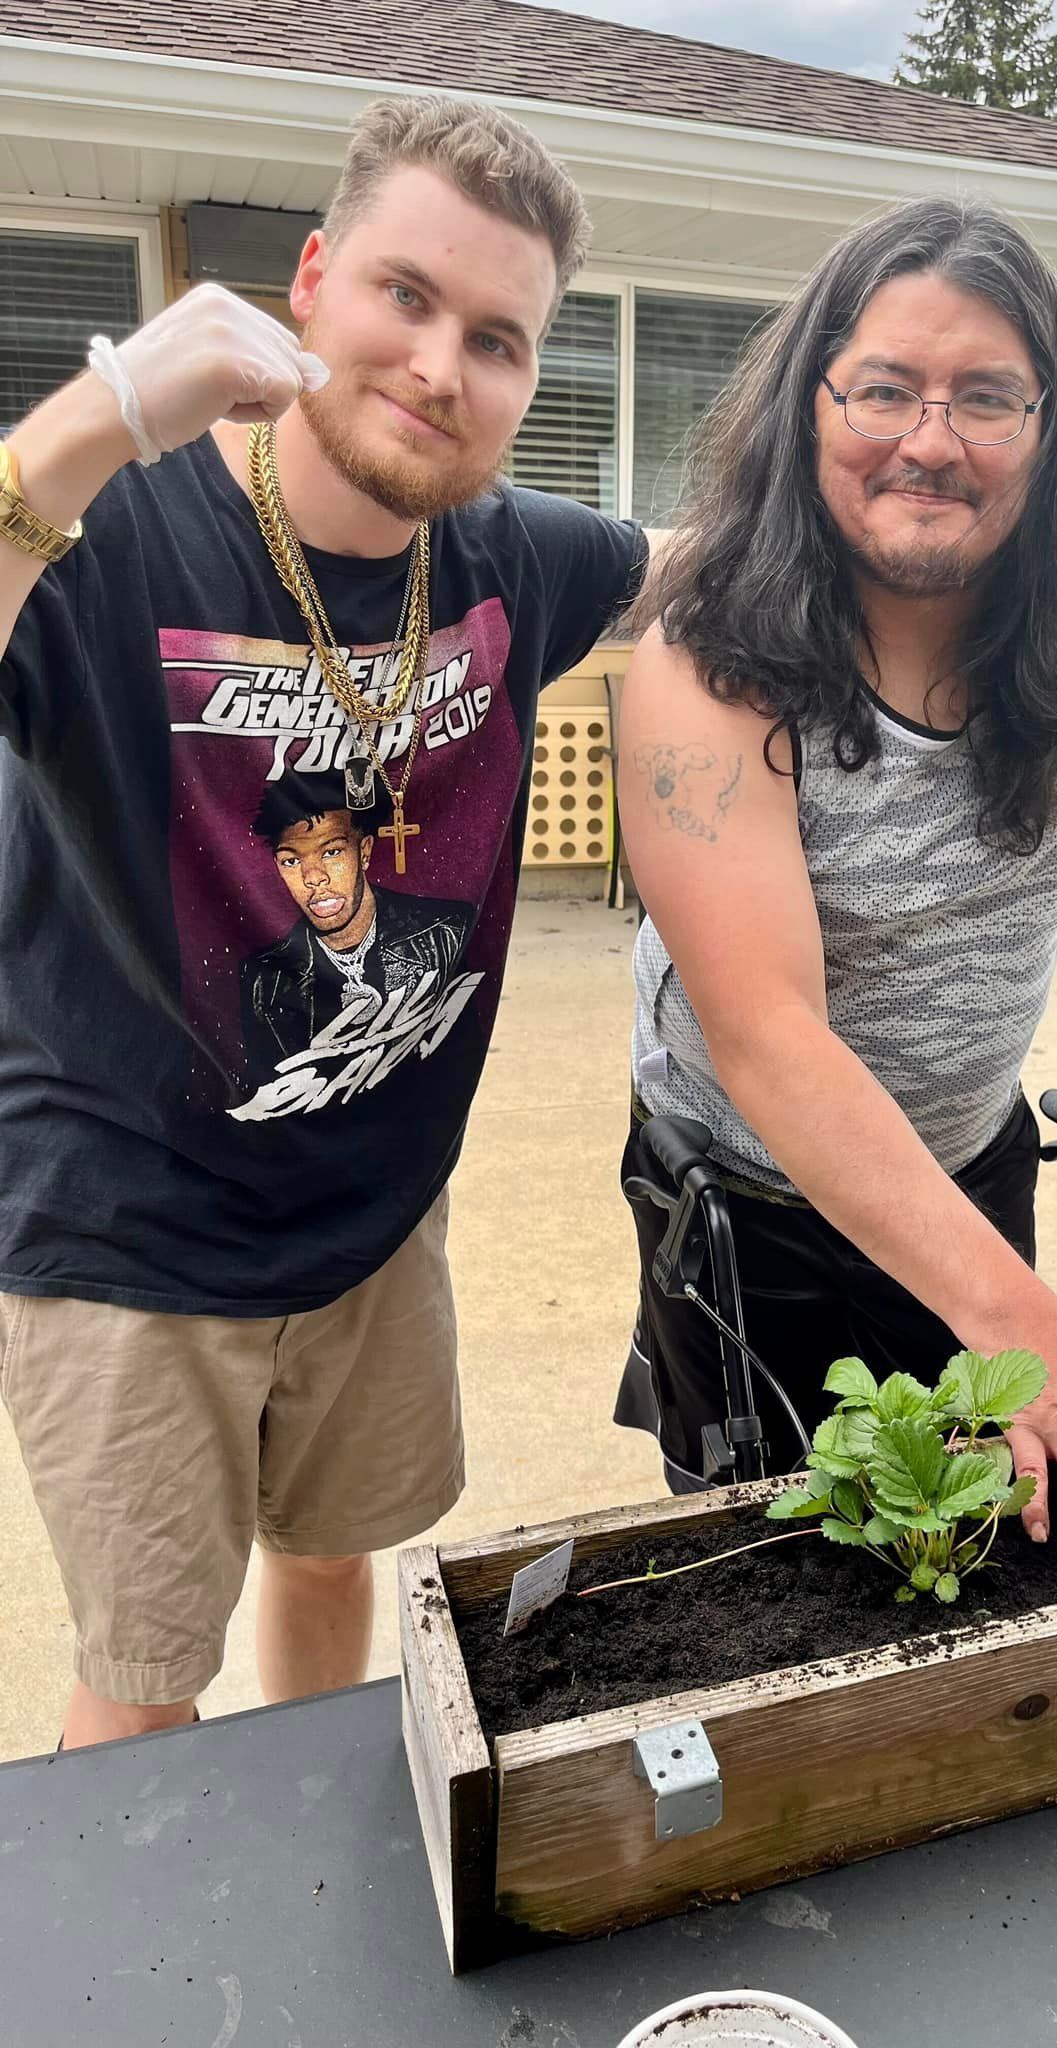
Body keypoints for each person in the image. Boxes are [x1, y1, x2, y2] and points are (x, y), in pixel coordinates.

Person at [0, 94, 646, 1748]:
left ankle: (325, 1912)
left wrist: (974, 505)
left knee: (337, 1564)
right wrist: (89, 421)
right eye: (406, 298)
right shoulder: (112, 533)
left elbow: (723, 562)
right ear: (310, 281)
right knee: (146, 1679)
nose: (442, 367)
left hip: (372, 1217)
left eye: (498, 340)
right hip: (135, 1239)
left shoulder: (516, 553)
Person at [614, 196, 1057, 1568]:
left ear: (1046, 434)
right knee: (780, 1574)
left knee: (978, 1543)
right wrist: (1032, 1327)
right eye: (885, 389)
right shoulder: (706, 663)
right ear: (810, 404)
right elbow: (768, 1037)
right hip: (752, 1212)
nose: (931, 441)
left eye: (989, 398)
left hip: (974, 1159)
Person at [242, 773, 474, 1073]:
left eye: (332, 852)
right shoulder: (265, 979)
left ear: (364, 852)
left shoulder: (443, 933)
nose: (313, 877)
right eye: (291, 861)